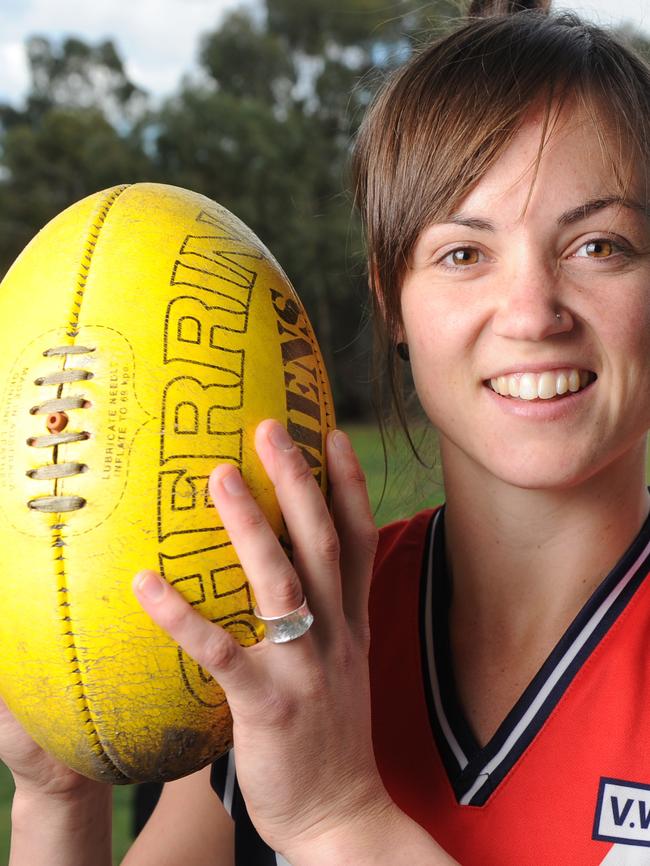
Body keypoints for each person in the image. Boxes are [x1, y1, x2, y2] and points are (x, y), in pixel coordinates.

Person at [3, 1, 650, 863]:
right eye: (463, 252)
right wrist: (57, 802)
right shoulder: (284, 632)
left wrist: (335, 817)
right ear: (392, 298)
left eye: (599, 245)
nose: (532, 313)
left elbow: (329, 819)